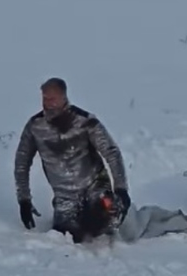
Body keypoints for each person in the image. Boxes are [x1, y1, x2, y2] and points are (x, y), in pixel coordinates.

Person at [14, 77, 130, 243]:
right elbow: (21, 163)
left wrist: (121, 189)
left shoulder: (85, 122)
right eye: (44, 98)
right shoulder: (35, 127)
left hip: (95, 185)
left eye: (52, 99)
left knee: (107, 222)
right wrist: (24, 199)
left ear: (63, 98)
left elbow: (112, 153)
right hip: (64, 196)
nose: (47, 103)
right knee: (67, 236)